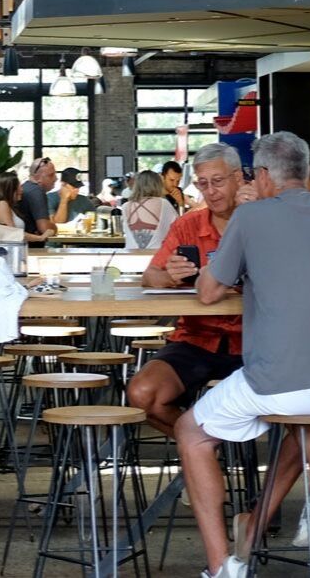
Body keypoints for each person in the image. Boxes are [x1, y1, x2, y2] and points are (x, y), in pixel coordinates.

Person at [180, 132, 310, 578]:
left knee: (190, 433)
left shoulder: (250, 217)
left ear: (262, 175)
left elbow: (209, 291)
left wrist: (243, 224)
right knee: (302, 409)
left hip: (286, 380)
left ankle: (222, 569)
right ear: (306, 171)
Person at [126, 143, 249, 440]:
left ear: (239, 178)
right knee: (143, 395)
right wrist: (169, 275)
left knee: (309, 400)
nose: (211, 191)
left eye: (218, 182)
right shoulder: (188, 225)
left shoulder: (266, 220)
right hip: (196, 339)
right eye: (202, 184)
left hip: (257, 342)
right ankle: (205, 448)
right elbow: (149, 277)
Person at [122, 169, 179, 251]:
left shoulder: (125, 206)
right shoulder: (164, 203)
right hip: (158, 257)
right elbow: (177, 227)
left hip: (131, 257)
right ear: (158, 185)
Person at [0, 171, 50, 243]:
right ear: (10, 189)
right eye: (19, 186)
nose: (22, 190)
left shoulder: (7, 206)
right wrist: (40, 238)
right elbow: (12, 232)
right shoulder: (1, 205)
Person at [19, 158, 59, 239]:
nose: (56, 179)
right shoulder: (36, 191)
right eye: (51, 175)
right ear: (37, 178)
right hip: (31, 248)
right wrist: (55, 227)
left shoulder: (26, 187)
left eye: (55, 174)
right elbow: (44, 227)